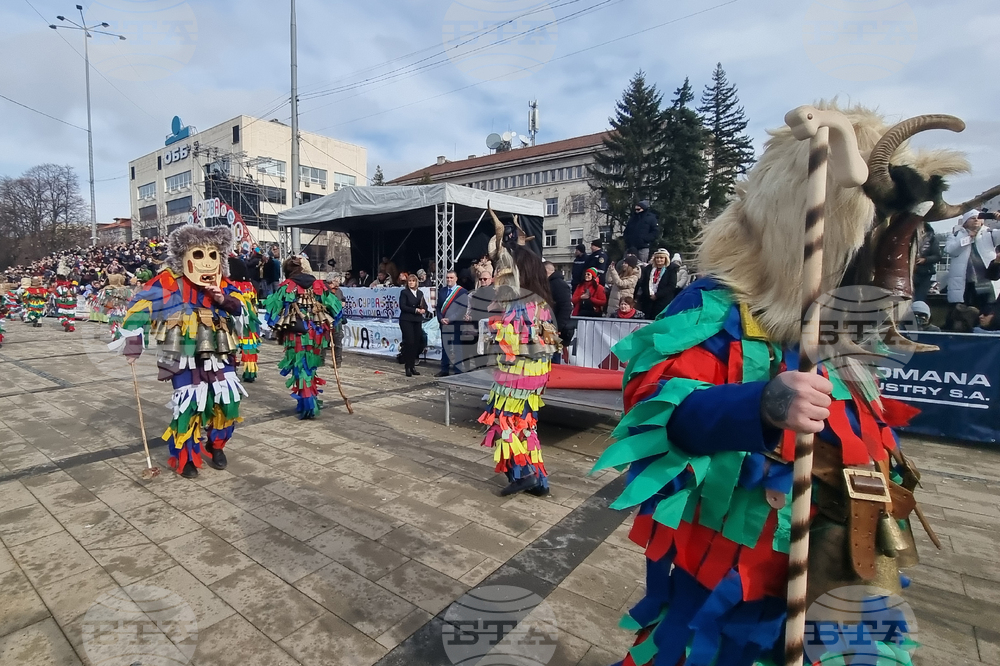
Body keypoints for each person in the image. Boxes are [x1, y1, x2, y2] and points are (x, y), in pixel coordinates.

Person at [112, 225, 248, 478]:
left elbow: (243, 310)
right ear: (183, 256)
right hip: (182, 354)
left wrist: (223, 300)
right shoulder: (167, 282)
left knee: (229, 402)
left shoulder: (225, 284)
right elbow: (139, 308)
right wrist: (132, 346)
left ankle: (216, 444)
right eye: (198, 254)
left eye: (213, 255)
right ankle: (186, 456)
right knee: (189, 405)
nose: (207, 262)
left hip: (219, 353)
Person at [479, 216, 560, 497]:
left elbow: (508, 343)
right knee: (525, 425)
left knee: (505, 423)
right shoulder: (540, 302)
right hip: (535, 375)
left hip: (517, 376)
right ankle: (539, 481)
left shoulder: (517, 304)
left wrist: (494, 324)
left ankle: (524, 473)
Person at [263, 256, 343, 419]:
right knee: (309, 367)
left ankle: (308, 406)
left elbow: (271, 313)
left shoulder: (287, 286)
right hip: (316, 333)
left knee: (301, 367)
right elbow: (337, 309)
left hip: (296, 332)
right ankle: (307, 401)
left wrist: (279, 322)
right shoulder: (319, 285)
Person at [945, 209, 1000, 313]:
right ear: (965, 221)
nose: (976, 220)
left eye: (978, 218)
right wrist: (968, 239)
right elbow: (950, 250)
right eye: (972, 218)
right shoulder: (956, 235)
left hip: (986, 280)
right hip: (964, 282)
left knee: (986, 311)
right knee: (963, 312)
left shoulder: (990, 233)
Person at [228, 256, 262, 383]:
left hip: (233, 316)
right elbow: (254, 301)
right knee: (249, 345)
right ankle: (250, 372)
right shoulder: (250, 285)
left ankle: (231, 368)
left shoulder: (229, 285)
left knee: (231, 343)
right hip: (250, 318)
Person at [436, 270, 468, 377]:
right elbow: (438, 307)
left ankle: (458, 371)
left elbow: (461, 310)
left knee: (457, 348)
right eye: (448, 278)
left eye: (451, 278)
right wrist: (441, 319)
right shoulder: (442, 291)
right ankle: (444, 369)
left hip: (456, 324)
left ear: (456, 278)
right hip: (444, 324)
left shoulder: (462, 292)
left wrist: (450, 319)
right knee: (445, 347)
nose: (449, 280)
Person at [398, 273, 429, 377]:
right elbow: (403, 306)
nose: (411, 283)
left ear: (416, 282)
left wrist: (424, 309)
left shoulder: (420, 293)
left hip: (417, 320)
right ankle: (407, 366)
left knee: (416, 343)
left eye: (413, 281)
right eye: (409, 281)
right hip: (406, 320)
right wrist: (415, 310)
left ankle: (412, 366)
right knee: (409, 342)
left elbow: (425, 305)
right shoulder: (404, 292)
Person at [634, 248, 678, 319]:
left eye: (661, 258)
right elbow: (643, 283)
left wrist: (657, 295)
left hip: (662, 300)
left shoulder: (671, 270)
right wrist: (649, 294)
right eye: (657, 258)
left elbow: (671, 286)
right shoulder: (648, 269)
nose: (659, 260)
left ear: (666, 259)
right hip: (648, 300)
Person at [544, 262, 574, 360]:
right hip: (548, 328)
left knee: (553, 358)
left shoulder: (558, 285)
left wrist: (558, 328)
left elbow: (565, 307)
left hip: (553, 328)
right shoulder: (550, 283)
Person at [913, 222, 941, 303]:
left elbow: (937, 256)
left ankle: (918, 313)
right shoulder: (908, 237)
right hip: (909, 273)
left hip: (924, 273)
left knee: (919, 298)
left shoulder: (931, 238)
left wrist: (925, 259)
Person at [98, 274, 132, 338]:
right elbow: (130, 299)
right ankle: (120, 334)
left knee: (114, 321)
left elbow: (102, 299)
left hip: (114, 308)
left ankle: (116, 335)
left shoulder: (108, 289)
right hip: (123, 308)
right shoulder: (127, 290)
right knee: (121, 322)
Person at [326, 272, 347, 366]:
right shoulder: (325, 290)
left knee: (338, 340)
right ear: (332, 281)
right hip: (326, 318)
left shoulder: (339, 291)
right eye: (337, 280)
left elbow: (343, 299)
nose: (339, 282)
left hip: (337, 319)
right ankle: (320, 360)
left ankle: (338, 361)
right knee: (324, 341)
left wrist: (342, 303)